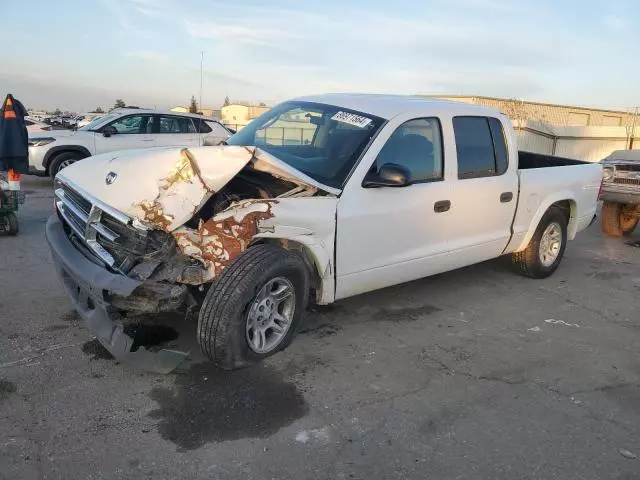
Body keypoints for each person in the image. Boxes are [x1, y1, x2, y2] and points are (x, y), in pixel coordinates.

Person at [0, 94, 29, 191]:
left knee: (13, 178)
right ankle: (13, 193)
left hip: (8, 156)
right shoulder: (19, 123)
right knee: (14, 181)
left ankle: (12, 193)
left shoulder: (3, 122)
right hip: (17, 157)